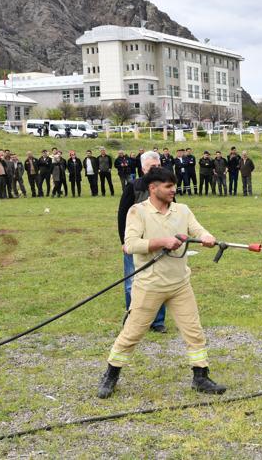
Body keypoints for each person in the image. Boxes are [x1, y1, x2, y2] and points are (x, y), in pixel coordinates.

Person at [98, 167, 227, 399]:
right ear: (153, 188)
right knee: (132, 332)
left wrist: (207, 237)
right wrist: (161, 242)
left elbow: (198, 230)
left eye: (174, 185)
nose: (173, 190)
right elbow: (130, 244)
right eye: (168, 186)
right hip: (149, 285)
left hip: (180, 284)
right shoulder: (137, 212)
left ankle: (201, 377)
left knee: (194, 331)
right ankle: (111, 375)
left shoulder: (182, 210)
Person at [117, 151, 168, 335]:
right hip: (136, 244)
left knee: (159, 282)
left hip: (159, 243)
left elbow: (173, 213)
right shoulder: (133, 186)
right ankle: (134, 320)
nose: (155, 170)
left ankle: (158, 321)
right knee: (133, 282)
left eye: (158, 166)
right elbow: (122, 215)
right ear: (143, 168)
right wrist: (125, 241)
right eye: (151, 167)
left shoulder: (166, 187)